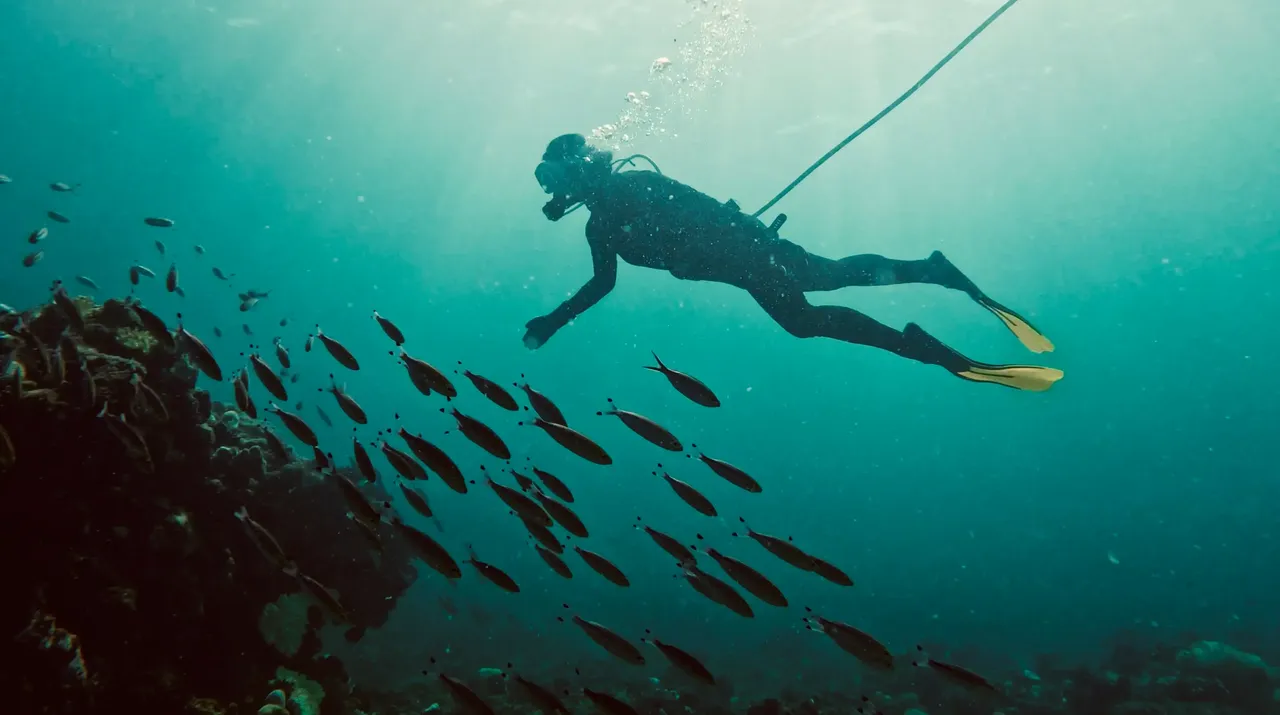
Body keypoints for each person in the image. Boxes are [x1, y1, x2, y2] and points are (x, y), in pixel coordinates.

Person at [524, 133, 1063, 391]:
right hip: (741, 267)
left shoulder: (636, 185)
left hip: (750, 251)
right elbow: (602, 284)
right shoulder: (600, 227)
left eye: (558, 177)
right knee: (813, 305)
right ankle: (924, 297)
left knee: (824, 283)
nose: (557, 190)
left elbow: (700, 206)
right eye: (552, 183)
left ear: (580, 169)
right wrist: (553, 319)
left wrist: (750, 237)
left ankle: (925, 296)